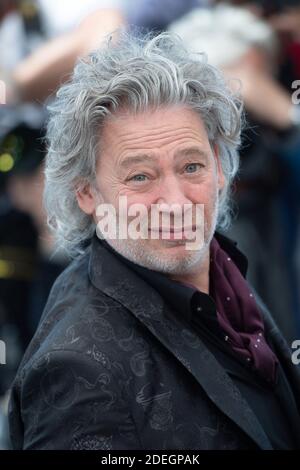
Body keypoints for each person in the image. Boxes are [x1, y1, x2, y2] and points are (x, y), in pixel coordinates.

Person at [8, 31, 300, 450]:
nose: (176, 203)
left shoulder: (221, 271)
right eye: (140, 176)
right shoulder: (79, 371)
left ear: (219, 167)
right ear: (87, 192)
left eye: (192, 166)